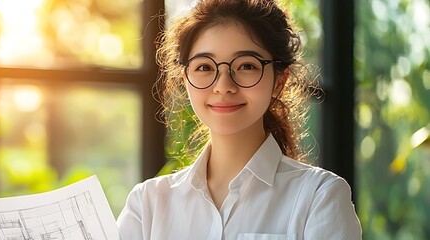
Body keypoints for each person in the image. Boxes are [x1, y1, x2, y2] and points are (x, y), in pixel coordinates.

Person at [116, 0, 362, 239]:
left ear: (279, 81)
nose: (224, 86)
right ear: (185, 78)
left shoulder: (319, 197)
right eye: (204, 67)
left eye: (246, 66)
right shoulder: (147, 204)